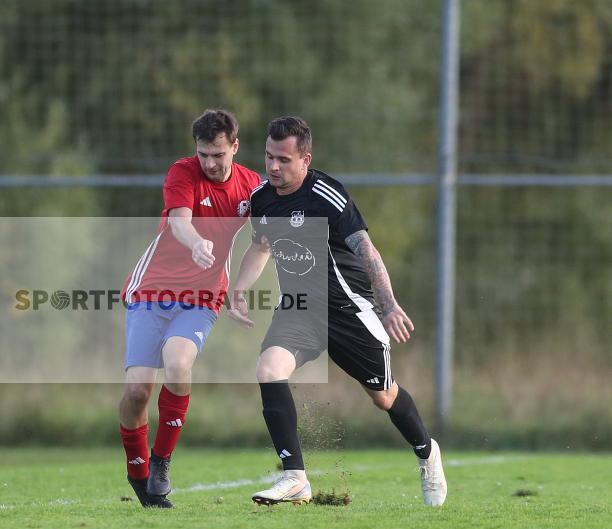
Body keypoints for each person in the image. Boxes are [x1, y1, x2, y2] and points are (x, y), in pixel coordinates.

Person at [228, 116, 447, 506]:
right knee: (268, 370)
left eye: (283, 159)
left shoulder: (326, 195)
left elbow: (366, 249)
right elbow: (260, 246)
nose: (273, 167)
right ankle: (295, 477)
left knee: (383, 396)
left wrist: (389, 304)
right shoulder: (261, 198)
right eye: (268, 156)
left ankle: (427, 452)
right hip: (298, 310)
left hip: (348, 311)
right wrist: (239, 288)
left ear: (305, 160)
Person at [118, 109, 262, 508]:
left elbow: (263, 243)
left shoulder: (253, 188)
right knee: (136, 391)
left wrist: (241, 289)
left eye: (218, 154)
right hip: (151, 290)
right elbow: (180, 222)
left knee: (179, 363)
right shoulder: (182, 173)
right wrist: (196, 241)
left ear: (235, 146)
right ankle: (138, 471)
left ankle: (162, 461)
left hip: (202, 297)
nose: (211, 163)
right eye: (203, 155)